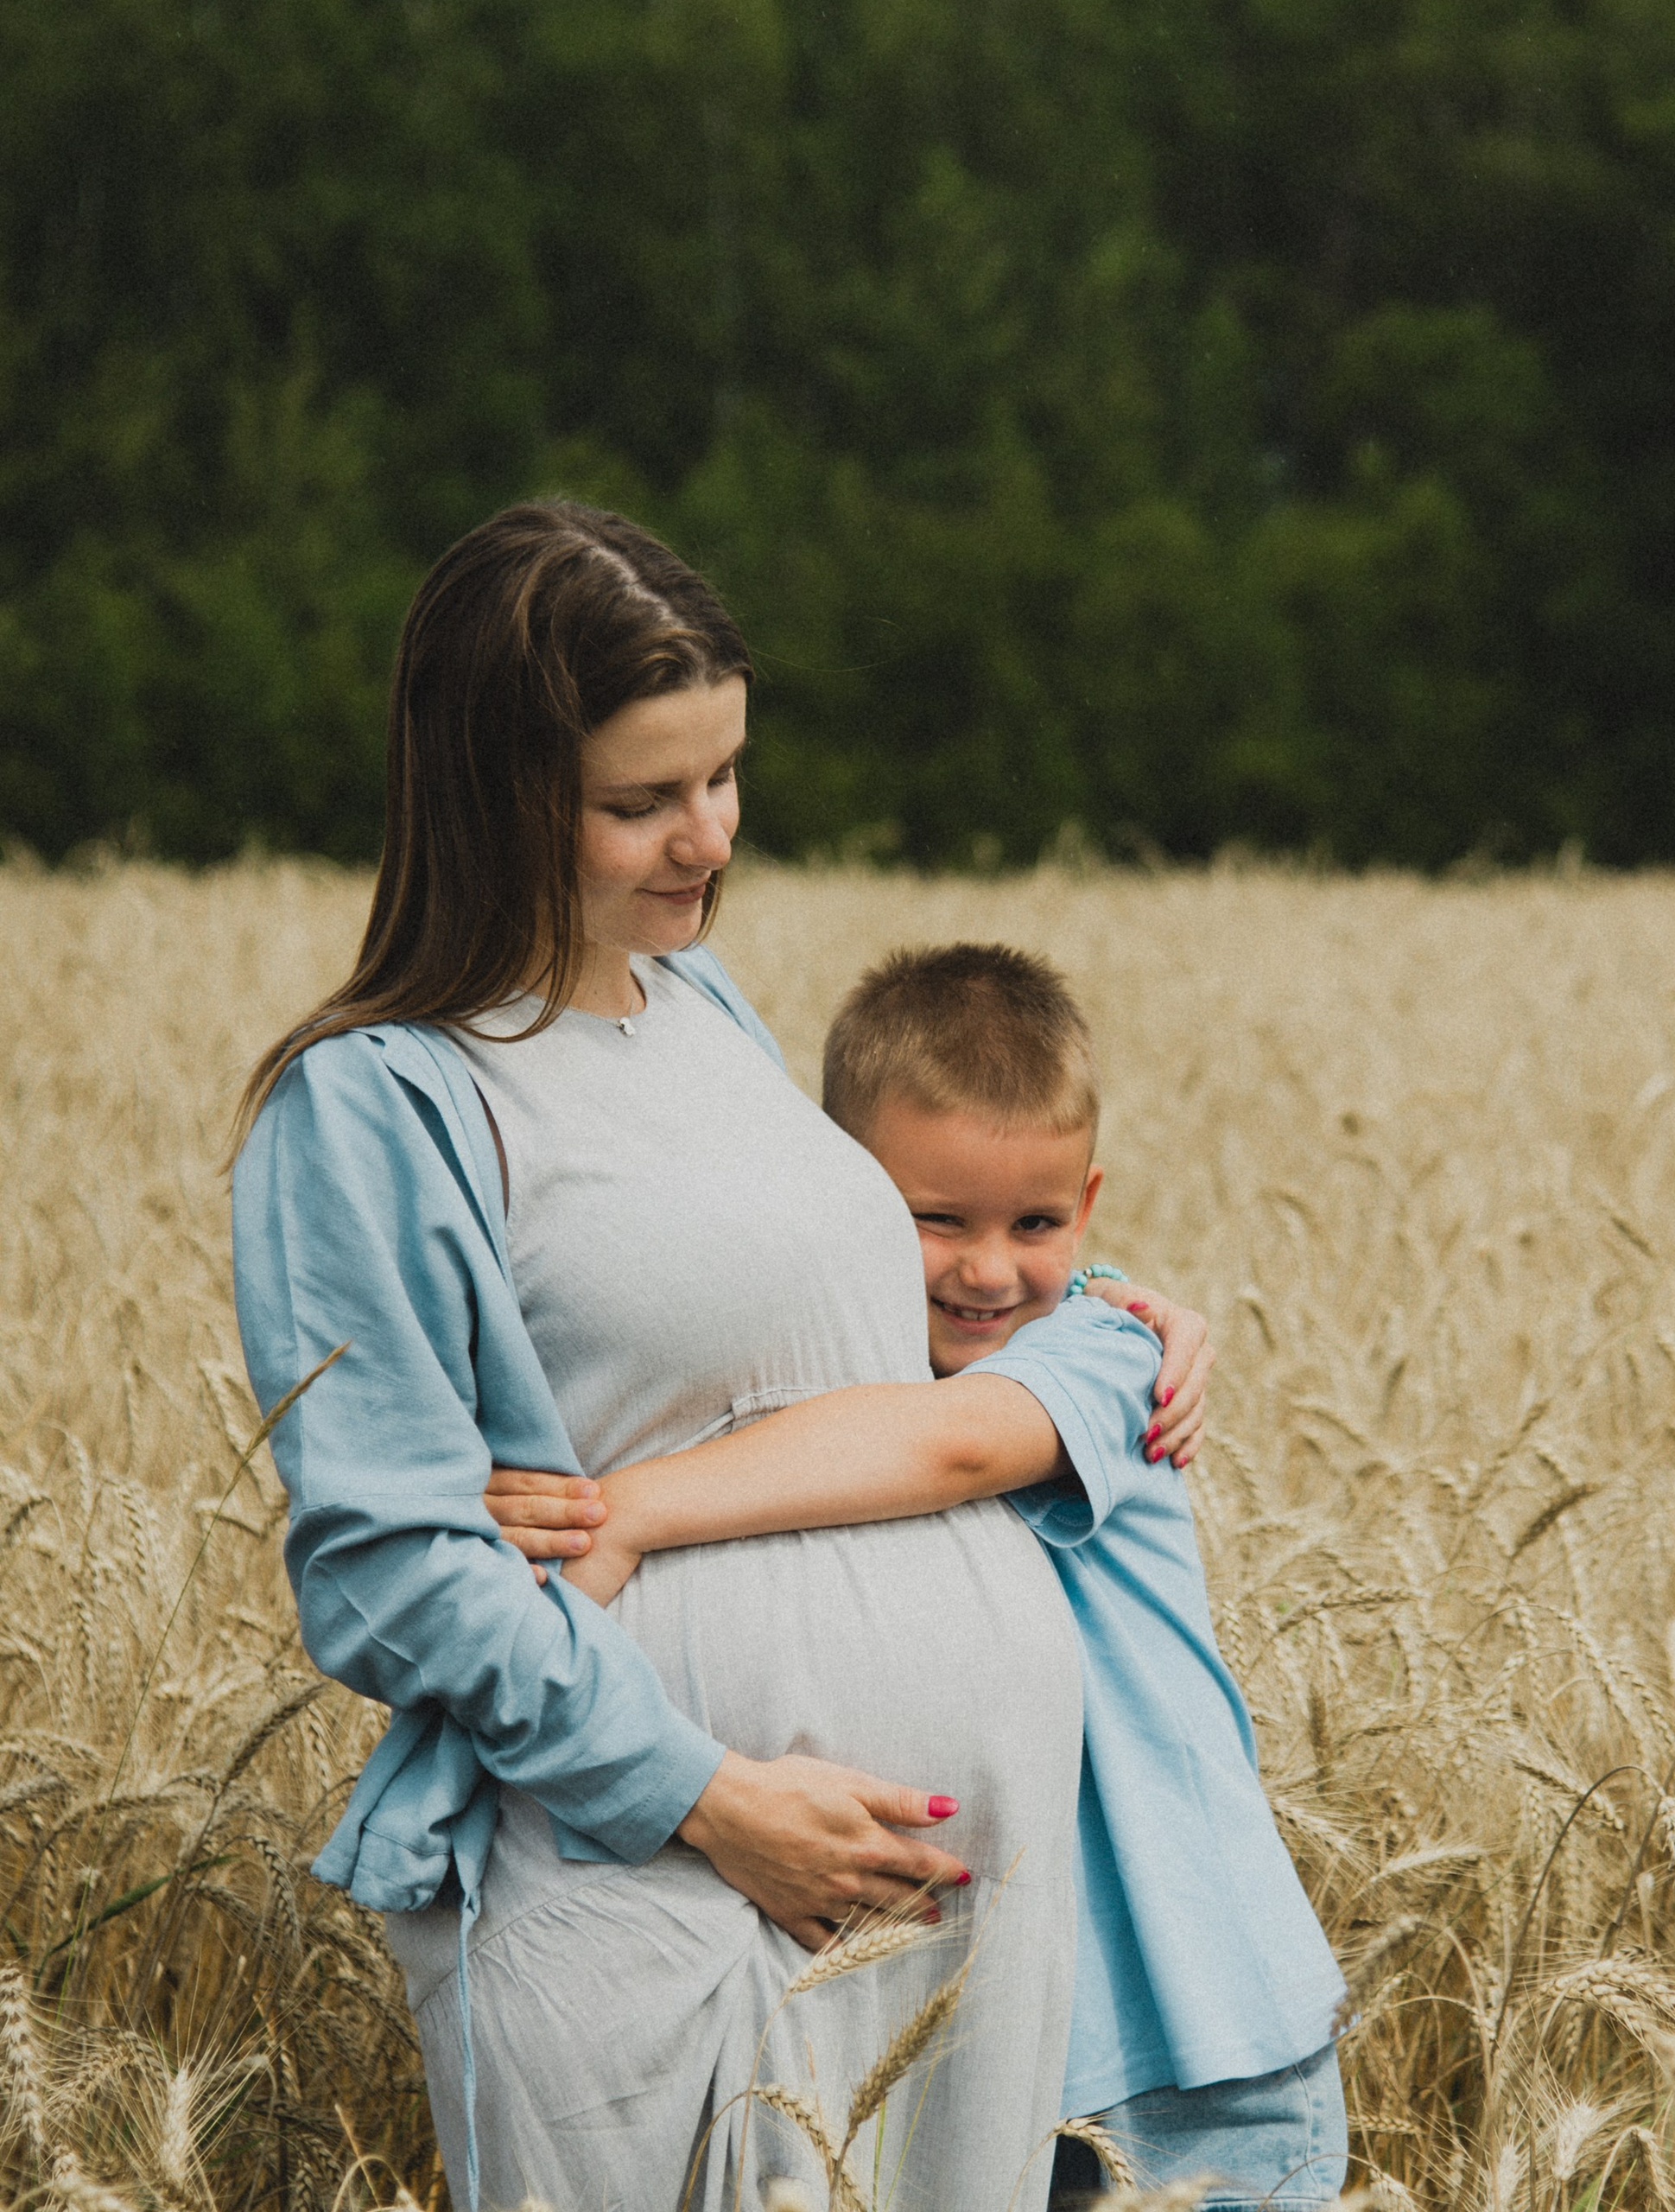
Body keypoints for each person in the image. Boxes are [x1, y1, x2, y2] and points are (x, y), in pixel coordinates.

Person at [228, 503, 1213, 2212]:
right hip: (657, 1885)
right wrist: (704, 1792)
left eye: (725, 774)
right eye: (640, 800)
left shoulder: (699, 1004)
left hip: (936, 1908)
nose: (709, 837)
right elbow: (390, 1564)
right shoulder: (379, 1103)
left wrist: (1097, 1319)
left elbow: (829, 1316)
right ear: (492, 794)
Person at [485, 944, 1348, 2210]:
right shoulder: (825, 1383)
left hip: (1193, 2049)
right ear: (836, 1193)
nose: (990, 1269)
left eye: (1037, 1224)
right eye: (935, 1218)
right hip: (980, 2061)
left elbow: (952, 1446)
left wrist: (625, 1515)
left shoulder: (1107, 1354)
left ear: (1089, 1203)